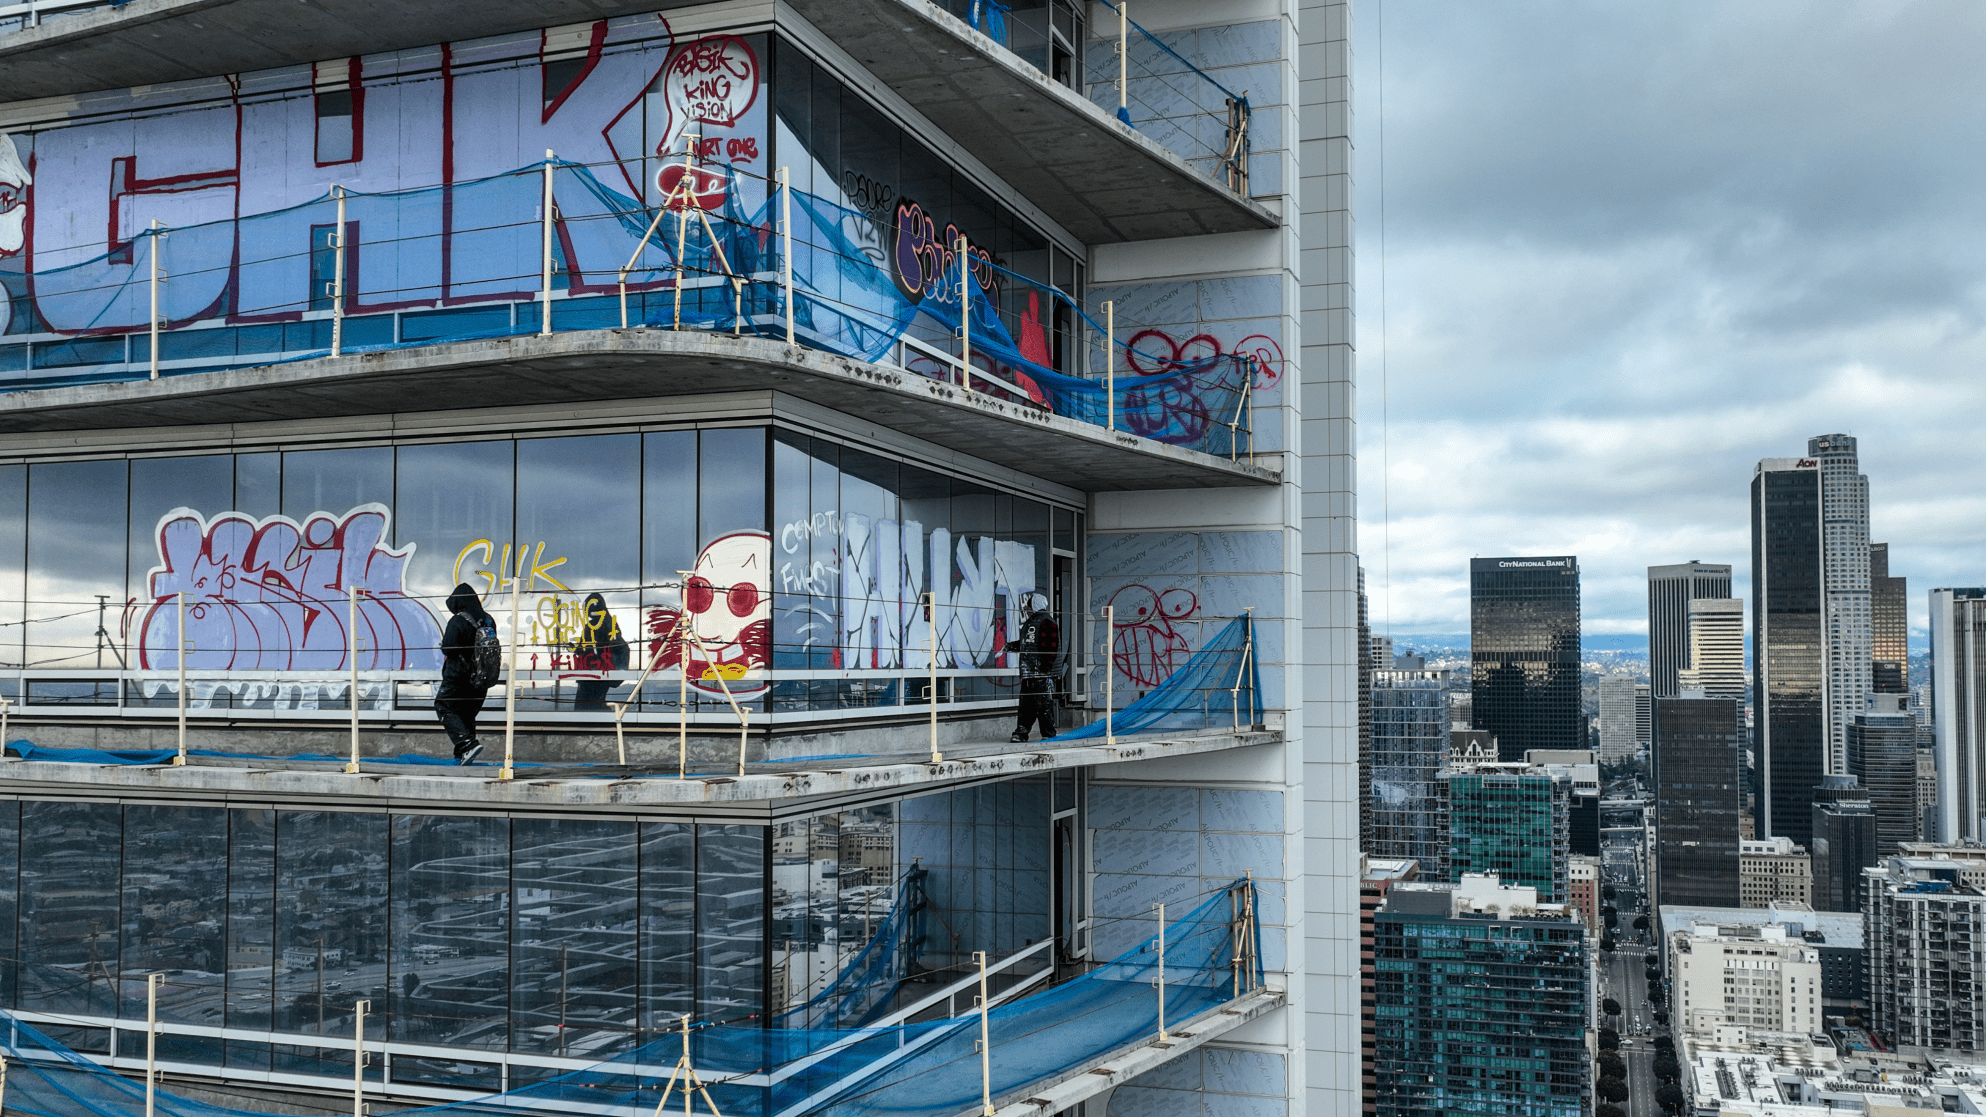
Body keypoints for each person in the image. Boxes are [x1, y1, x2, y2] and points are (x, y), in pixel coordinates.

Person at [436, 582, 491, 765]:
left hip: (457, 676)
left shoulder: (458, 620)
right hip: (480, 679)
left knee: (444, 706)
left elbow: (448, 648)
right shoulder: (488, 620)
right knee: (466, 715)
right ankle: (462, 756)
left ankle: (467, 744)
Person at [1003, 591, 1060, 742]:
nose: (1026, 608)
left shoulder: (1047, 622)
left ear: (1035, 605)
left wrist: (1045, 668)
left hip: (1041, 674)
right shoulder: (1032, 622)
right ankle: (1022, 733)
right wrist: (1010, 646)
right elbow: (1027, 644)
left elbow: (1051, 648)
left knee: (1043, 706)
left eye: (1028, 605)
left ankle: (1047, 734)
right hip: (1030, 673)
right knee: (1027, 706)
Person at [571, 592, 630, 711]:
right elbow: (587, 648)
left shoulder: (601, 626)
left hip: (595, 674)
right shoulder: (605, 625)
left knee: (586, 706)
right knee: (591, 705)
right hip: (594, 673)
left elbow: (591, 649)